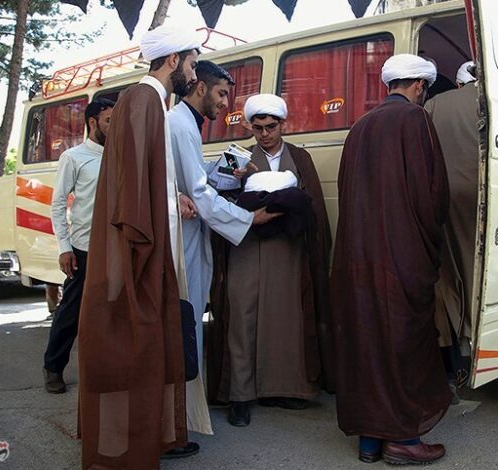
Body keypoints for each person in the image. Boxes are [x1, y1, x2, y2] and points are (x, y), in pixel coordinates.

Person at [77, 26, 202, 469]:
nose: (193, 71)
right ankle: (131, 447)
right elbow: (132, 194)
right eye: (190, 62)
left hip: (145, 243)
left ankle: (148, 439)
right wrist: (142, 252)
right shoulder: (145, 100)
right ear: (173, 61)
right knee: (139, 344)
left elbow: (145, 178)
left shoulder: (145, 101)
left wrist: (173, 198)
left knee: (148, 345)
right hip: (141, 249)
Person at [330, 54, 451, 465]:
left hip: (356, 257)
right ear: (418, 86)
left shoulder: (359, 127)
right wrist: (431, 245)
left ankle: (369, 443)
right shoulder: (414, 120)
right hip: (400, 255)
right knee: (403, 343)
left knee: (368, 342)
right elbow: (431, 193)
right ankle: (402, 439)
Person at [209, 93, 334, 428]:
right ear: (250, 127)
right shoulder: (237, 157)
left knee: (286, 319)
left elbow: (315, 209)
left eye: (270, 127)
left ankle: (284, 387)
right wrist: (239, 189)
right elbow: (216, 200)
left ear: (283, 124)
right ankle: (240, 396)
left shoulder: (300, 158)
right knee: (242, 319)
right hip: (246, 247)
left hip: (289, 252)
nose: (264, 134)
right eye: (258, 127)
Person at [167, 61, 277, 434]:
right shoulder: (180, 125)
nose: (225, 103)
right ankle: (180, 419)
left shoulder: (185, 125)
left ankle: (185, 413)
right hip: (183, 239)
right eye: (221, 94)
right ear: (200, 88)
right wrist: (247, 219)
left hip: (192, 236)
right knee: (185, 324)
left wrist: (230, 168)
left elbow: (195, 178)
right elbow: (198, 192)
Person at [43, 97, 114, 395]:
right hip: (83, 248)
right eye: (109, 121)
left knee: (111, 312)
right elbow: (58, 204)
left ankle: (105, 370)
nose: (115, 127)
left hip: (115, 248)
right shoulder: (74, 157)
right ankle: (53, 367)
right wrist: (64, 247)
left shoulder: (121, 155)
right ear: (92, 121)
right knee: (71, 311)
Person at [424, 60, 484, 402]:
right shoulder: (496, 100)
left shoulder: (434, 105)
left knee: (448, 280)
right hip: (490, 199)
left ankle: (457, 359)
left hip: (446, 203)